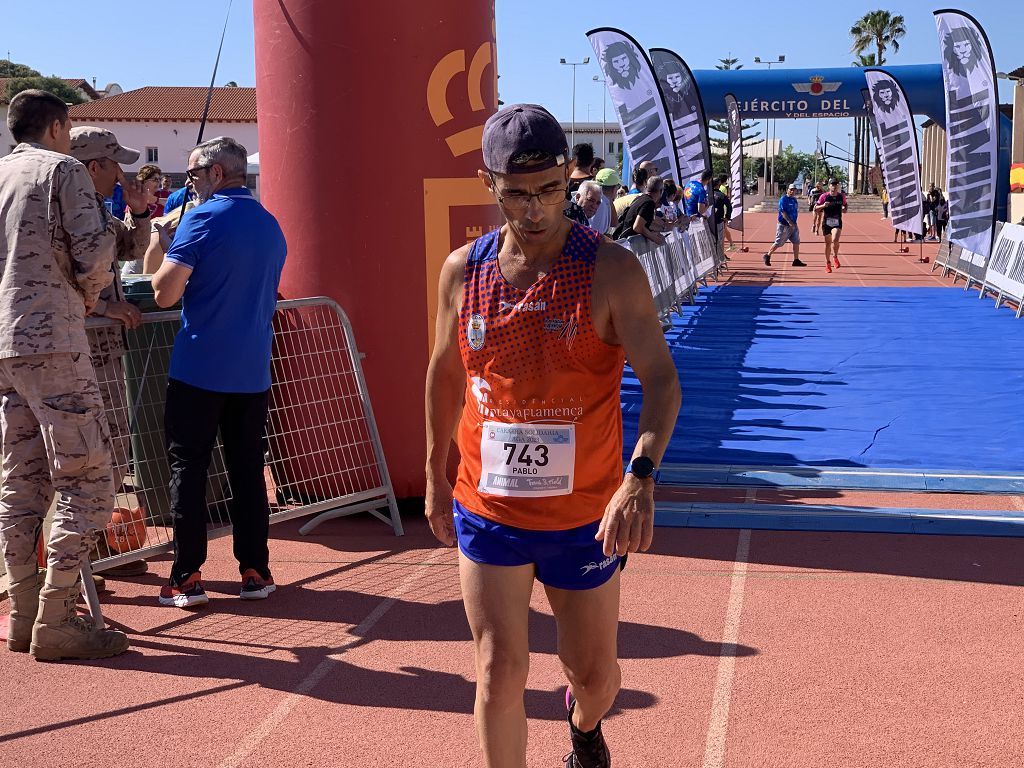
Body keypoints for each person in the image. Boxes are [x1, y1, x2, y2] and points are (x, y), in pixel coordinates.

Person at [424, 102, 680, 768]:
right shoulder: (464, 271)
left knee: (594, 679)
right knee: (499, 671)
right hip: (489, 507)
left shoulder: (613, 270)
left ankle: (585, 730)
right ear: (489, 184)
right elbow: (444, 375)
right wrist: (434, 472)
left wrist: (640, 476)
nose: (534, 209)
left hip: (585, 516)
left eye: (549, 192)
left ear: (570, 178)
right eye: (516, 195)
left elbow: (661, 381)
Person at [0, 90, 129, 660]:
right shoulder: (64, 170)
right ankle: (57, 618)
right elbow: (95, 251)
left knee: (20, 482)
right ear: (56, 127)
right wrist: (90, 296)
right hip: (53, 337)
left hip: (6, 345)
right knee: (90, 479)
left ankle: (23, 615)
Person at [151, 137, 286, 608]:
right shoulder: (270, 224)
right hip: (252, 371)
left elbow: (164, 293)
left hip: (200, 365)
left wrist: (166, 241)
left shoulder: (201, 218)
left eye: (192, 175)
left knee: (189, 470)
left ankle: (187, 576)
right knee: (248, 472)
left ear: (214, 173)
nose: (187, 184)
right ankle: (255, 570)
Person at [69, 126, 152, 579]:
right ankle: (72, 559)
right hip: (78, 352)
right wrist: (104, 306)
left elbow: (130, 249)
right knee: (85, 454)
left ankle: (97, 543)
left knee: (114, 450)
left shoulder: (97, 210)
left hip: (104, 351)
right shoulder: (66, 210)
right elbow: (59, 278)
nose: (124, 171)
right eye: (116, 162)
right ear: (94, 166)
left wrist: (140, 213)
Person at [762, 183, 807, 268]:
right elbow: (783, 212)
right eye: (791, 190)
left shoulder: (794, 200)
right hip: (784, 225)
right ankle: (767, 255)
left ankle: (796, 260)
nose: (792, 191)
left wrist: (794, 224)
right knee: (779, 243)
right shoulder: (783, 199)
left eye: (794, 190)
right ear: (788, 190)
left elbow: (795, 211)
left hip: (793, 225)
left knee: (796, 242)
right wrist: (789, 222)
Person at [612, 174, 665, 244]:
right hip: (627, 244)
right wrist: (655, 238)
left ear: (646, 187)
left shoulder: (640, 198)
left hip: (623, 241)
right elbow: (637, 226)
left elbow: (644, 224)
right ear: (661, 191)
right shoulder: (649, 203)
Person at [814, 179, 848, 272]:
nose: (834, 186)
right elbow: (816, 208)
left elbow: (845, 205)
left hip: (837, 221)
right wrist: (823, 206)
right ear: (829, 186)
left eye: (836, 185)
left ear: (838, 186)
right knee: (828, 244)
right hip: (826, 222)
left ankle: (835, 257)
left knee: (835, 240)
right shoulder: (824, 196)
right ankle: (828, 263)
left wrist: (844, 209)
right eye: (832, 185)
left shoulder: (841, 196)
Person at [592, 167, 621, 235]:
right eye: (618, 186)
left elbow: (614, 223)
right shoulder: (602, 204)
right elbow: (597, 234)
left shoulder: (605, 202)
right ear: (614, 189)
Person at [711, 175, 733, 256]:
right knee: (720, 240)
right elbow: (729, 206)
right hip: (719, 220)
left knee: (711, 240)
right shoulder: (721, 195)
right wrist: (727, 217)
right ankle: (720, 258)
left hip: (708, 221)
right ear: (718, 185)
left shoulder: (707, 194)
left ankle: (714, 259)